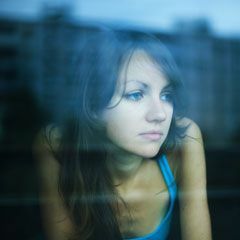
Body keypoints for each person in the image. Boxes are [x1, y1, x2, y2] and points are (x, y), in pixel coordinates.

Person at [33, 29, 212, 240]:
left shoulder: (184, 141)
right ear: (93, 106)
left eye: (166, 95)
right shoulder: (55, 145)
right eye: (136, 94)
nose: (160, 114)